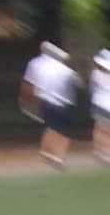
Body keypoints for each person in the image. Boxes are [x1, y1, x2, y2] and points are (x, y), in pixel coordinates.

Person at [21, 41, 80, 169]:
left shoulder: (35, 63)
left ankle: (46, 151)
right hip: (62, 102)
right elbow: (76, 84)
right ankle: (59, 156)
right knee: (64, 130)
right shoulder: (64, 69)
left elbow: (29, 83)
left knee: (51, 127)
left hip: (44, 100)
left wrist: (27, 101)